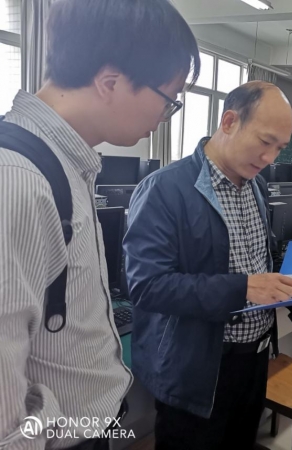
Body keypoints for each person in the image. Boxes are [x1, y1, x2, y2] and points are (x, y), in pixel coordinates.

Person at [0, 1, 200, 449]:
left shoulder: (66, 164)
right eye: (169, 99)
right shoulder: (16, 180)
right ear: (110, 82)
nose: (166, 114)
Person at [123, 81, 292, 450]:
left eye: (280, 148)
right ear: (229, 121)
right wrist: (243, 287)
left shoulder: (256, 186)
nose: (270, 157)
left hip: (254, 362)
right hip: (197, 369)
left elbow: (259, 261)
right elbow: (147, 286)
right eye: (265, 141)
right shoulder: (164, 189)